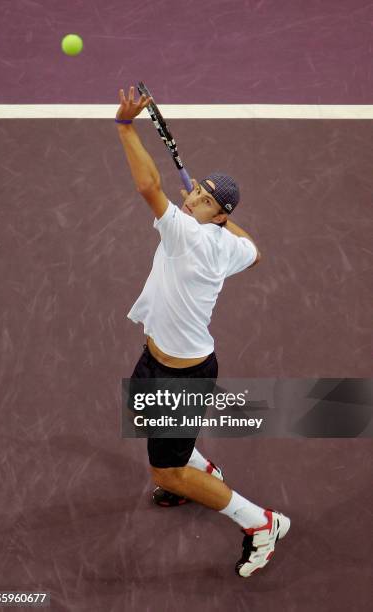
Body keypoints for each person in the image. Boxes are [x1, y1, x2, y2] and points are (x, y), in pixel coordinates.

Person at [116, 86, 290, 578]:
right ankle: (194, 463)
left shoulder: (186, 234)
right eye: (196, 190)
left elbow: (149, 188)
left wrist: (125, 126)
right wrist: (210, 214)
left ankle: (260, 522)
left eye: (207, 198)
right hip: (166, 361)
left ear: (220, 215)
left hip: (181, 375)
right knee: (146, 418)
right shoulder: (225, 244)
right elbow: (254, 248)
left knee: (163, 468)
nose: (192, 196)